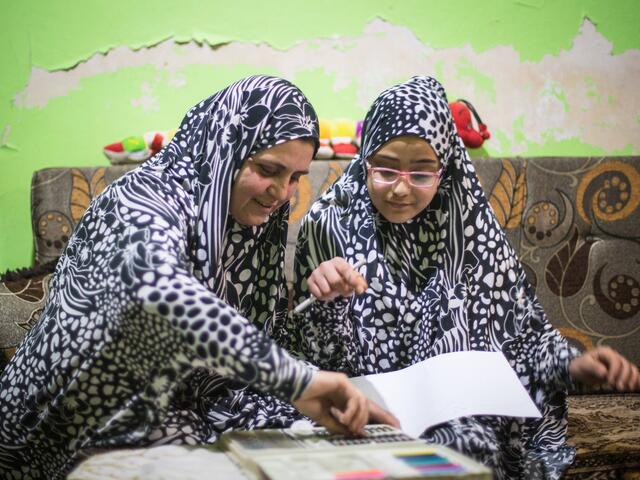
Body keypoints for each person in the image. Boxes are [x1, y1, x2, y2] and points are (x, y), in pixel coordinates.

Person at [0, 75, 396, 480]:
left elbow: (257, 344)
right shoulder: (141, 200)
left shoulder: (246, 225)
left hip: (177, 407)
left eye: (295, 177)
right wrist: (299, 381)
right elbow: (161, 294)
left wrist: (324, 309)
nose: (282, 193)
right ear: (226, 151)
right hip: (64, 433)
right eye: (267, 169)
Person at [281, 76, 640, 479]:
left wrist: (576, 367)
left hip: (462, 414)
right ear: (365, 159)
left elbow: (523, 342)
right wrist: (327, 303)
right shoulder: (328, 224)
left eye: (421, 174)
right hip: (363, 402)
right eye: (385, 170)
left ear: (445, 169)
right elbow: (313, 360)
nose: (401, 190)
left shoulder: (471, 231)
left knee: (465, 443)